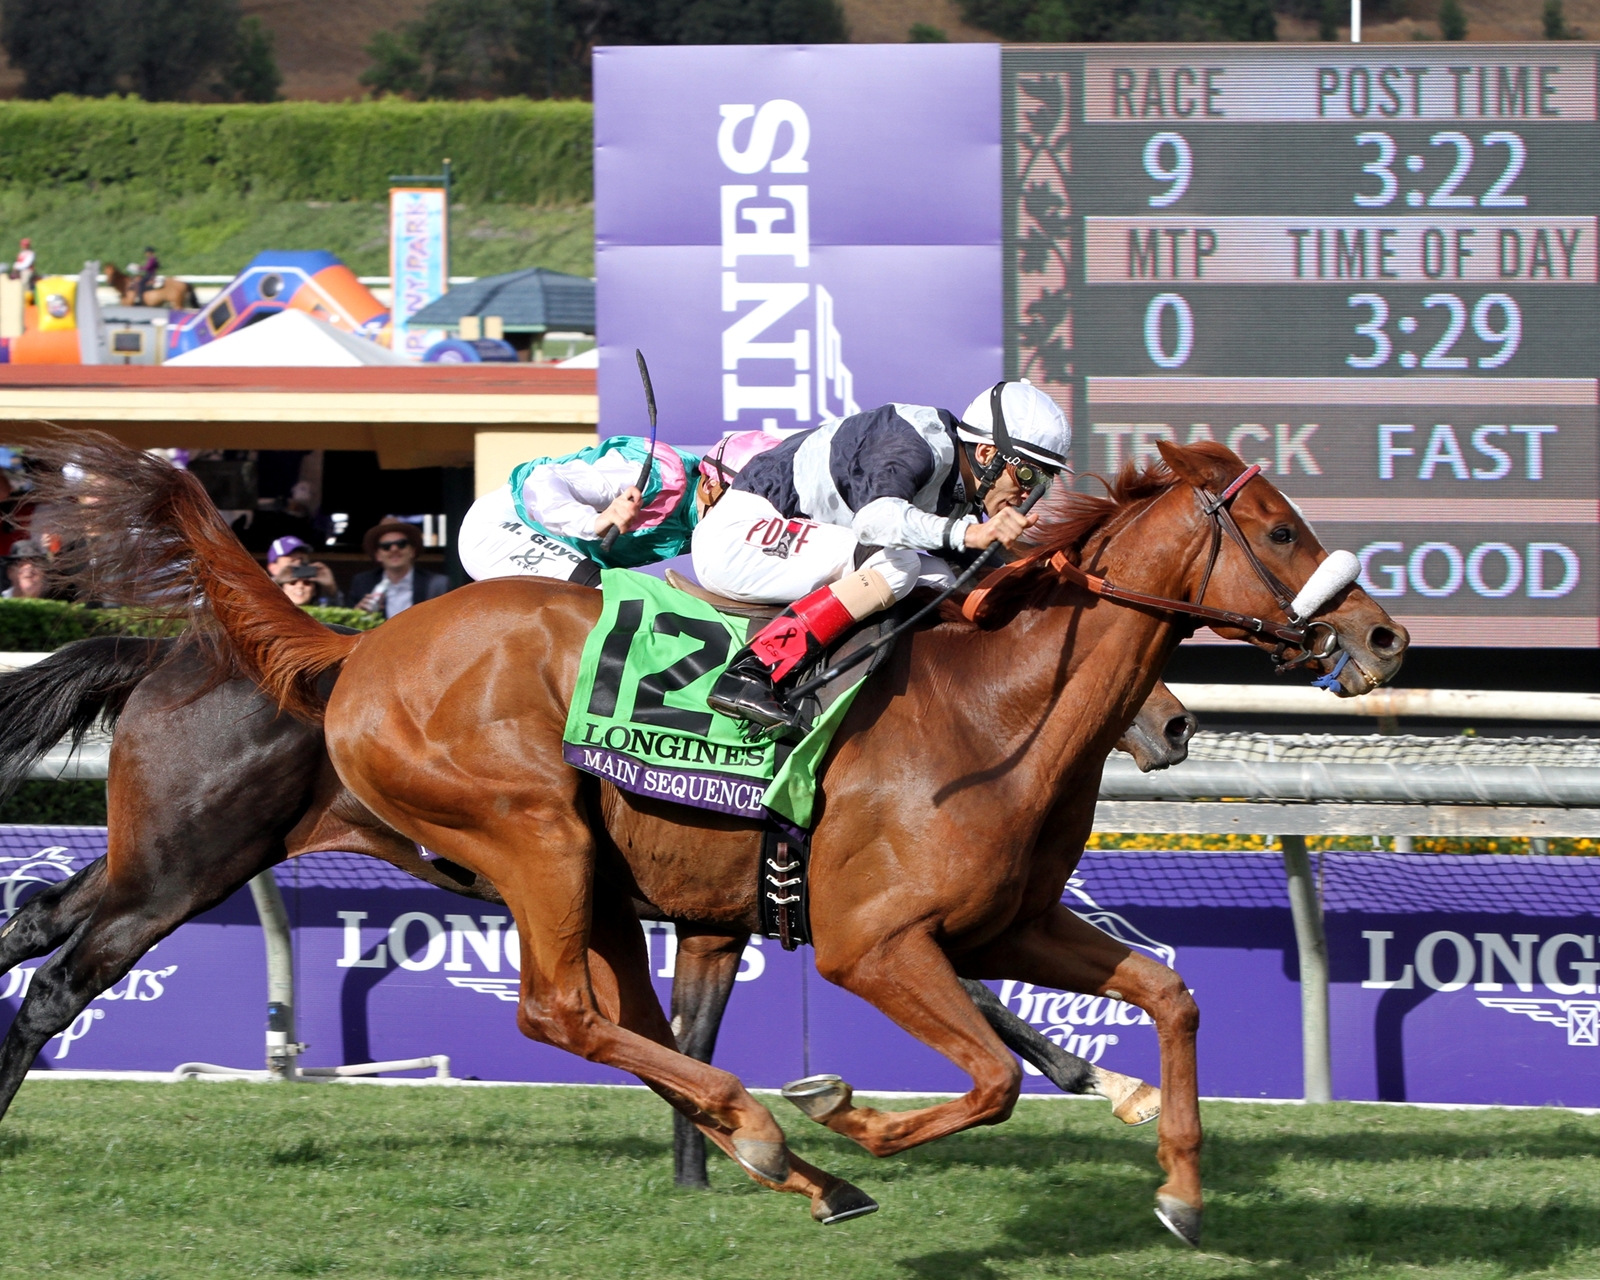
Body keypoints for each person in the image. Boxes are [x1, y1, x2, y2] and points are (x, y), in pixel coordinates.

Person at [695, 381, 1071, 728]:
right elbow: (875, 521)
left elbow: (982, 578)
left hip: (782, 543)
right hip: (736, 539)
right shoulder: (913, 441)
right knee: (899, 567)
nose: (1030, 494)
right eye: (1029, 476)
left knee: (943, 580)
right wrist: (971, 532)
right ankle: (752, 669)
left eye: (1045, 482)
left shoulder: (961, 486)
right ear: (987, 453)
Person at [457, 430, 781, 586]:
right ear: (711, 485)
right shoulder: (655, 474)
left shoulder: (702, 522)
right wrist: (594, 521)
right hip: (502, 529)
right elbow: (542, 481)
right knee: (602, 598)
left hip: (559, 551)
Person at [350, 521, 450, 618]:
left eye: (401, 544)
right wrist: (358, 615)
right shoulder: (362, 583)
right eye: (386, 546)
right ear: (378, 555)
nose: (394, 549)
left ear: (412, 551)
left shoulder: (436, 584)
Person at [265, 535, 342, 606]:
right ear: (273, 568)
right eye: (292, 561)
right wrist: (275, 583)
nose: (298, 565)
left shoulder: (314, 590)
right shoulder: (264, 593)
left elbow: (338, 613)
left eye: (302, 561)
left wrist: (331, 589)